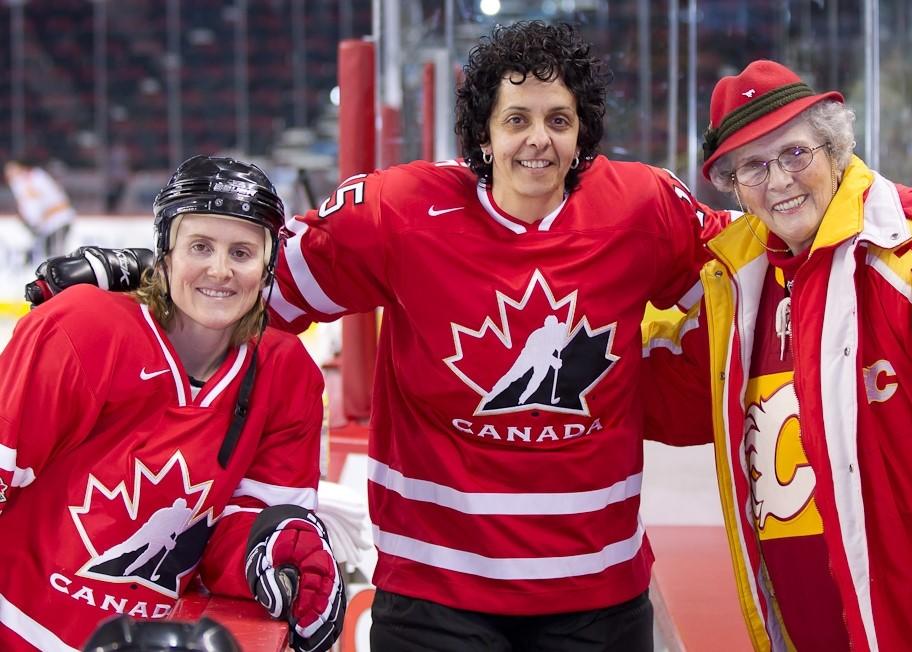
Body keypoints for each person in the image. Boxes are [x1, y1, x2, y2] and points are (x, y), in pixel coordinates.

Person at [26, 22, 726, 651]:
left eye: (558, 120)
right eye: (516, 119)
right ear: (482, 134)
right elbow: (255, 286)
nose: (537, 139)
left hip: (597, 596)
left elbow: (742, 276)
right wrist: (139, 277)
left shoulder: (642, 207)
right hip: (436, 601)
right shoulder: (400, 211)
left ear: (583, 134)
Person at [643, 59, 912, 651]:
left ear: (835, 148)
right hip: (806, 620)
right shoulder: (741, 283)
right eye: (753, 166)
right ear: (735, 187)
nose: (780, 181)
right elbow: (677, 395)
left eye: (796, 154)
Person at [0, 156, 345, 652]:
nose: (221, 270)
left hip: (141, 640)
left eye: (242, 252)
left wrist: (273, 552)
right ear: (164, 253)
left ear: (269, 265)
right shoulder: (81, 329)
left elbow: (235, 528)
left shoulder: (285, 373)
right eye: (200, 247)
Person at [3, 158, 75, 264]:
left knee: (54, 257)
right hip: (41, 227)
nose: (9, 173)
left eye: (12, 169)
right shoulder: (18, 183)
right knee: (42, 256)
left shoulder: (37, 177)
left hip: (56, 223)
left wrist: (44, 217)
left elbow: (59, 202)